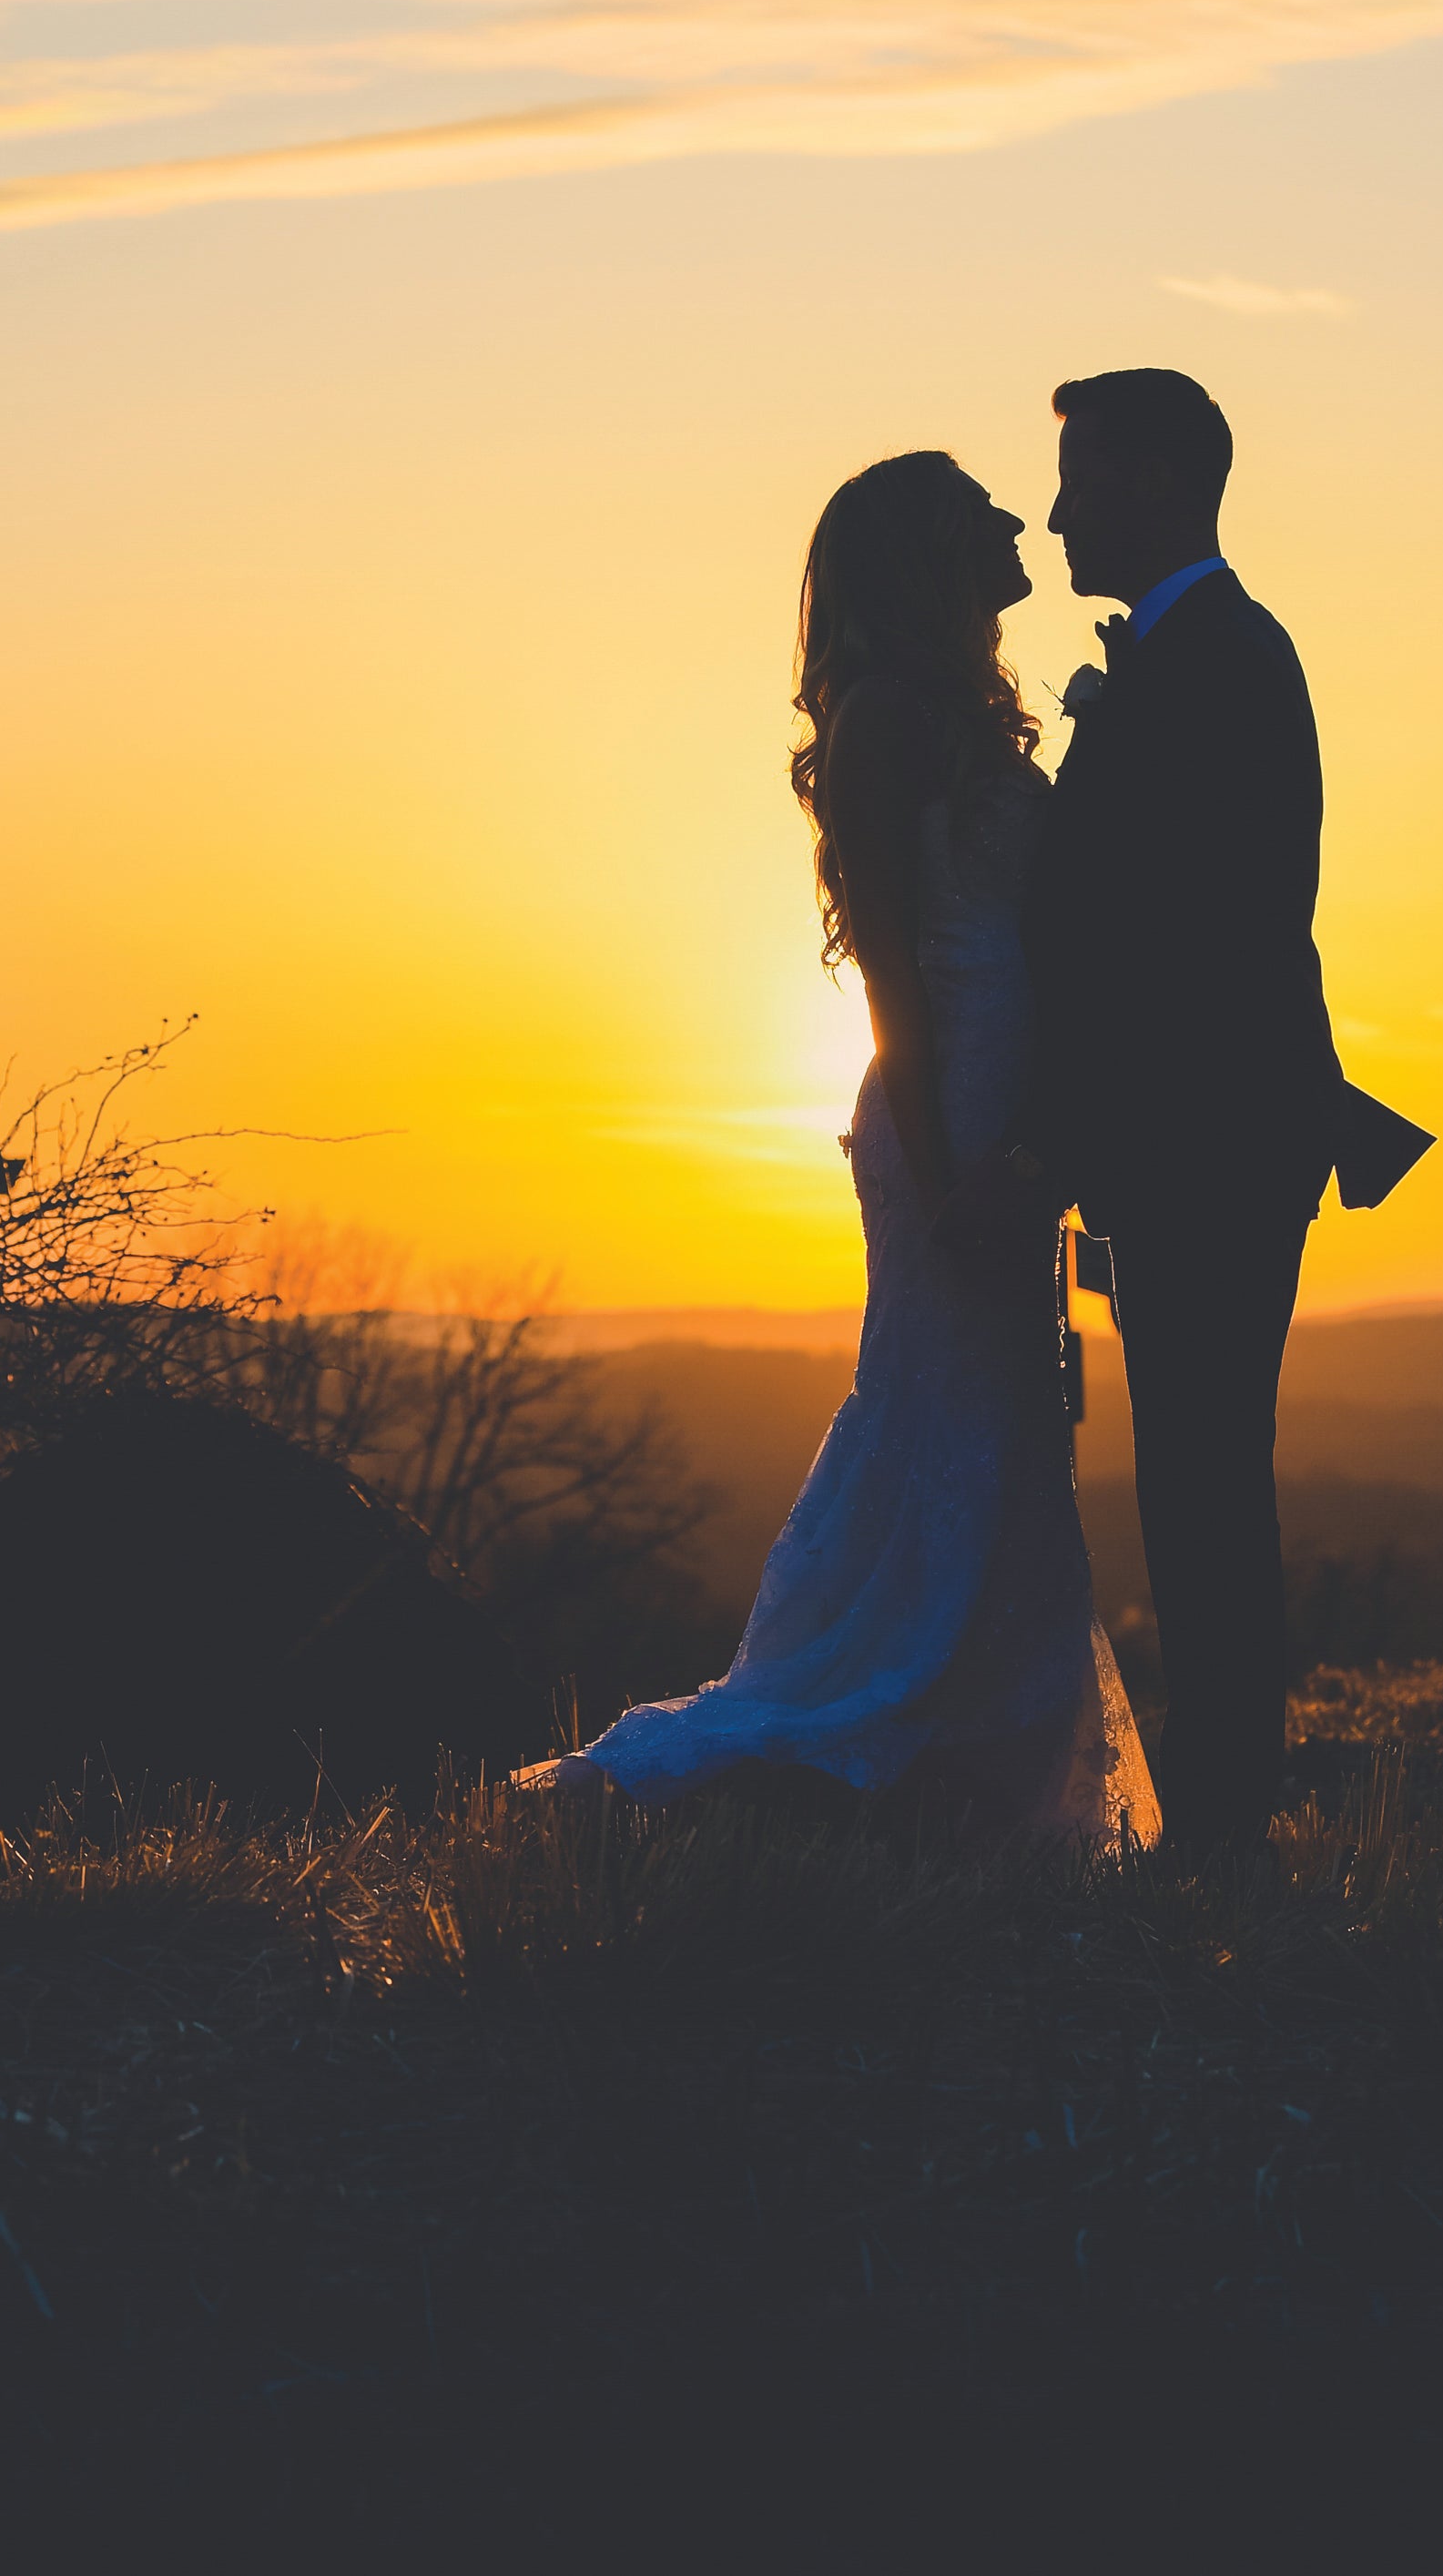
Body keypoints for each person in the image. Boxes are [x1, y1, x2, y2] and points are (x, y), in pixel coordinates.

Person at [520, 449, 1156, 1842]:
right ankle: (873, 1720)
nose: (1010, 522)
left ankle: (983, 1751)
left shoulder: (966, 715)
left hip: (1010, 1080)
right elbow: (888, 970)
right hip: (951, 1092)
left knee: (1006, 1419)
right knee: (952, 1404)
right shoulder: (881, 724)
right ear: (921, 555)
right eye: (975, 511)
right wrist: (945, 1170)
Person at [1022, 367, 1341, 1867]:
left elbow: (1199, 945)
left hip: (1212, 1145)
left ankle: (1223, 1823)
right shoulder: (1185, 653)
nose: (1060, 508)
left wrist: (1071, 1144)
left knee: (1208, 1478)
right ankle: (1222, 1807)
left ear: (1156, 479)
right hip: (1191, 1142)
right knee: (1192, 1476)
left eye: (1081, 477)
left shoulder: (1224, 659)